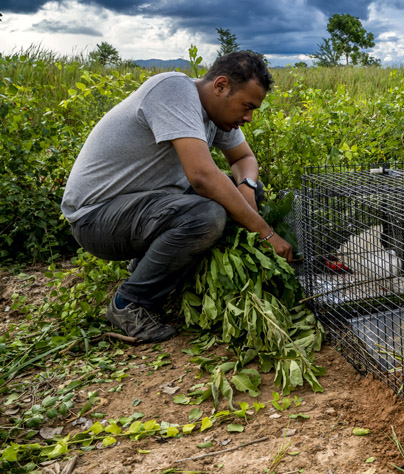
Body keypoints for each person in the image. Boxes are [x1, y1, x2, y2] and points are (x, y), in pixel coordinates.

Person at [61, 51, 293, 344]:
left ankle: (149, 266)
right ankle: (130, 303)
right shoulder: (173, 90)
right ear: (220, 86)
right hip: (96, 218)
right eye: (246, 107)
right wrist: (265, 233)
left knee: (248, 192)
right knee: (206, 216)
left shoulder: (216, 115)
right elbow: (202, 176)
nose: (247, 117)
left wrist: (246, 187)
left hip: (142, 207)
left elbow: (243, 157)